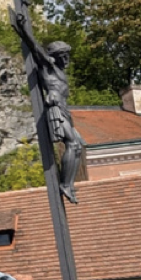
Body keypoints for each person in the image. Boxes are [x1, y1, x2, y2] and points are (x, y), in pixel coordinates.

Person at [15, 11, 84, 203]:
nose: (67, 59)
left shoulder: (61, 73)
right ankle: (64, 185)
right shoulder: (49, 67)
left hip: (65, 111)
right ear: (57, 56)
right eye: (64, 55)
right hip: (55, 109)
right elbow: (35, 48)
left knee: (78, 146)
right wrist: (23, 28)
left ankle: (68, 183)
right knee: (72, 143)